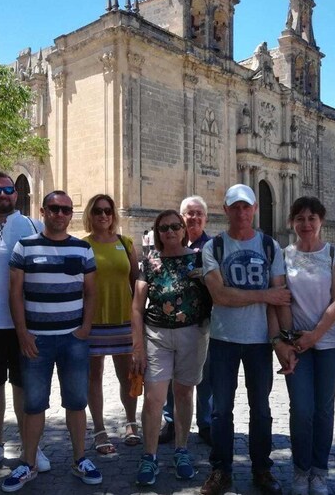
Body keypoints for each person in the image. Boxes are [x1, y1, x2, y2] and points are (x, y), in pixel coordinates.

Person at [1, 191, 102, 492]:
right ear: (43, 211)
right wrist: (22, 332)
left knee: (76, 402)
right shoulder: (25, 246)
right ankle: (28, 463)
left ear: (71, 214)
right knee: (33, 405)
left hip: (73, 339)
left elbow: (91, 292)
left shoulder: (82, 249)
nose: (60, 214)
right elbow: (15, 292)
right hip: (36, 341)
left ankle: (79, 458)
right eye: (54, 209)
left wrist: (85, 328)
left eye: (66, 210)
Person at [200, 184, 291, 495]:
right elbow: (220, 295)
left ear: (254, 209)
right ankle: (220, 470)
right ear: (226, 210)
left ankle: (262, 469)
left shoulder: (270, 247)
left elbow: (281, 299)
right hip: (224, 339)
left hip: (259, 341)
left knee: (261, 409)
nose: (241, 212)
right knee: (220, 410)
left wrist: (280, 340)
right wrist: (264, 294)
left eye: (246, 206)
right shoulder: (214, 248)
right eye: (235, 207)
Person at [0, 172, 49, 476]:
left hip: (25, 325)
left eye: (8, 189)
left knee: (24, 387)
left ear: (16, 195)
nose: (3, 195)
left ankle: (31, 446)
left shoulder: (34, 226)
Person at [130, 209, 211, 485]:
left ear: (183, 230)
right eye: (164, 228)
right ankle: (149, 456)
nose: (170, 232)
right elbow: (137, 307)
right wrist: (137, 346)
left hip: (191, 334)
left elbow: (214, 294)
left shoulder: (199, 259)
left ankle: (181, 450)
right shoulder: (150, 262)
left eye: (176, 226)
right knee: (154, 397)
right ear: (157, 232)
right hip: (157, 335)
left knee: (185, 393)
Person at [279, 196, 335, 495]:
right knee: (302, 408)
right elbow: (281, 301)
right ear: (291, 222)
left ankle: (319, 472)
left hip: (330, 341)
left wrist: (315, 335)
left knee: (324, 409)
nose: (306, 224)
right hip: (297, 344)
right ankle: (300, 470)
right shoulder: (283, 256)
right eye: (300, 218)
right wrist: (286, 341)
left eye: (312, 218)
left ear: (321, 221)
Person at [83, 193, 141, 454]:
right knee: (93, 376)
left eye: (107, 210)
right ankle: (99, 430)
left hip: (122, 319)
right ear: (90, 215)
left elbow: (137, 282)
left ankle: (131, 423)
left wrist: (139, 318)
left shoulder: (125, 243)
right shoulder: (82, 246)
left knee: (127, 374)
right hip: (93, 320)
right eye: (98, 211)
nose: (103, 215)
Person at [159, 195, 214, 447]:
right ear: (181, 218)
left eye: (198, 213)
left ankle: (205, 423)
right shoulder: (167, 246)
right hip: (173, 325)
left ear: (205, 218)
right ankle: (171, 422)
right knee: (172, 376)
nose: (193, 218)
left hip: (204, 322)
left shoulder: (213, 247)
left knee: (204, 375)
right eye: (189, 213)